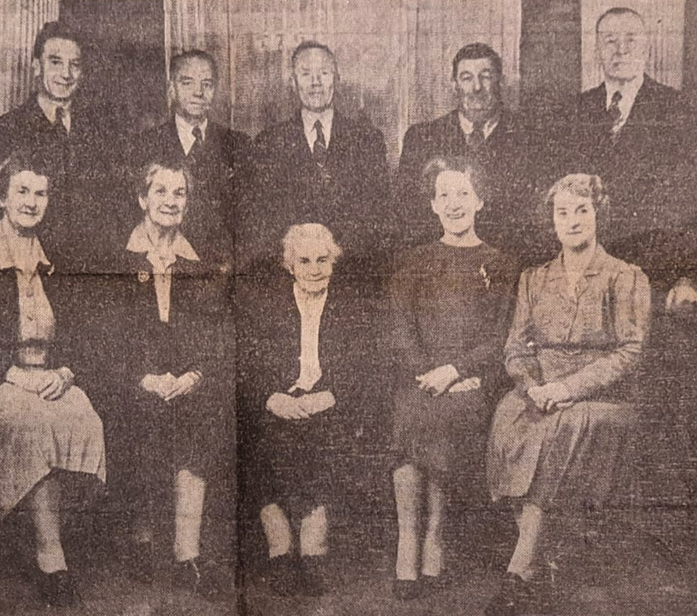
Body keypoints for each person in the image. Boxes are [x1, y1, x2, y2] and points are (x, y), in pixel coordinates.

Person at [484, 174, 651, 616]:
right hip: (541, 391)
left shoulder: (625, 276)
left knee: (563, 426)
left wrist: (568, 389)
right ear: (552, 221)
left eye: (582, 210)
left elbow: (630, 351)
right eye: (563, 212)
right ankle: (545, 558)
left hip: (601, 395)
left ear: (599, 215)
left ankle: (520, 570)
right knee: (508, 416)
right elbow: (516, 350)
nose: (572, 221)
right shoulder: (533, 279)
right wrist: (534, 387)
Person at [0, 150, 106, 608]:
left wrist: (65, 373)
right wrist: (15, 377)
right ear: (1, 197)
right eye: (21, 191)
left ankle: (43, 530)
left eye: (40, 193)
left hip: (50, 376)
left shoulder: (55, 256)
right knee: (34, 421)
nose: (31, 201)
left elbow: (83, 329)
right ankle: (50, 555)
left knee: (83, 413)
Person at [102, 159, 235, 598]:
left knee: (203, 415)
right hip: (130, 379)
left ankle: (186, 553)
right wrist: (143, 379)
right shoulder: (118, 258)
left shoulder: (197, 261)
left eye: (179, 193)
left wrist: (195, 375)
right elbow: (106, 339)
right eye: (160, 192)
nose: (170, 201)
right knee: (137, 417)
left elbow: (214, 335)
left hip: (185, 381)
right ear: (142, 198)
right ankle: (141, 538)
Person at [389, 157, 516, 600]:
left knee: (446, 417)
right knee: (411, 411)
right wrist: (426, 372)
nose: (454, 203)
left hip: (471, 381)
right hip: (420, 378)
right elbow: (400, 328)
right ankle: (408, 540)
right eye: (444, 194)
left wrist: (458, 371)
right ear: (432, 204)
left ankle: (434, 539)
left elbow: (501, 336)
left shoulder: (499, 264)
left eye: (463, 193)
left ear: (480, 200)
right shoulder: (414, 260)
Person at [237, 223, 372, 596]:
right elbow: (248, 365)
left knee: (320, 437)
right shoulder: (267, 307)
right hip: (278, 400)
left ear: (334, 261)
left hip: (329, 402)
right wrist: (273, 397)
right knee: (259, 436)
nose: (314, 269)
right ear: (289, 266)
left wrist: (323, 398)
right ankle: (279, 541)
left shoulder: (350, 308)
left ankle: (314, 542)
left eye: (323, 260)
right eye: (305, 260)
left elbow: (365, 369)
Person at [565, 7, 697, 310]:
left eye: (631, 39)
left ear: (646, 47)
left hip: (657, 277)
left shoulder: (679, 110)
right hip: (588, 275)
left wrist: (688, 277)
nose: (621, 49)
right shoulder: (575, 111)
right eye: (610, 40)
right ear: (597, 48)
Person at [0, 21, 115, 269]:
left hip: (87, 275)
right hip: (29, 271)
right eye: (55, 62)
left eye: (74, 65)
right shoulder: (1, 131)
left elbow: (111, 205)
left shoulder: (100, 133)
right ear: (36, 67)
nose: (66, 74)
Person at [241, 41, 390, 277]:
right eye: (306, 74)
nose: (315, 82)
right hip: (291, 274)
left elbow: (378, 213)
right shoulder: (268, 142)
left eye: (324, 73)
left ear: (337, 79)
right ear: (293, 82)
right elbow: (262, 218)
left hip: (351, 273)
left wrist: (335, 249)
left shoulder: (368, 140)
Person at [397, 42, 537, 260]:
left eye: (486, 76)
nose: (477, 88)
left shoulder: (529, 137)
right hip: (440, 269)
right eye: (466, 78)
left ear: (499, 81)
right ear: (454, 85)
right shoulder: (422, 138)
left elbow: (532, 220)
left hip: (508, 267)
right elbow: (409, 217)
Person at [133, 49, 251, 270]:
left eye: (206, 84)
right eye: (187, 83)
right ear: (172, 89)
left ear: (214, 90)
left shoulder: (238, 145)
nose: (198, 92)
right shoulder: (145, 145)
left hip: (220, 271)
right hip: (164, 267)